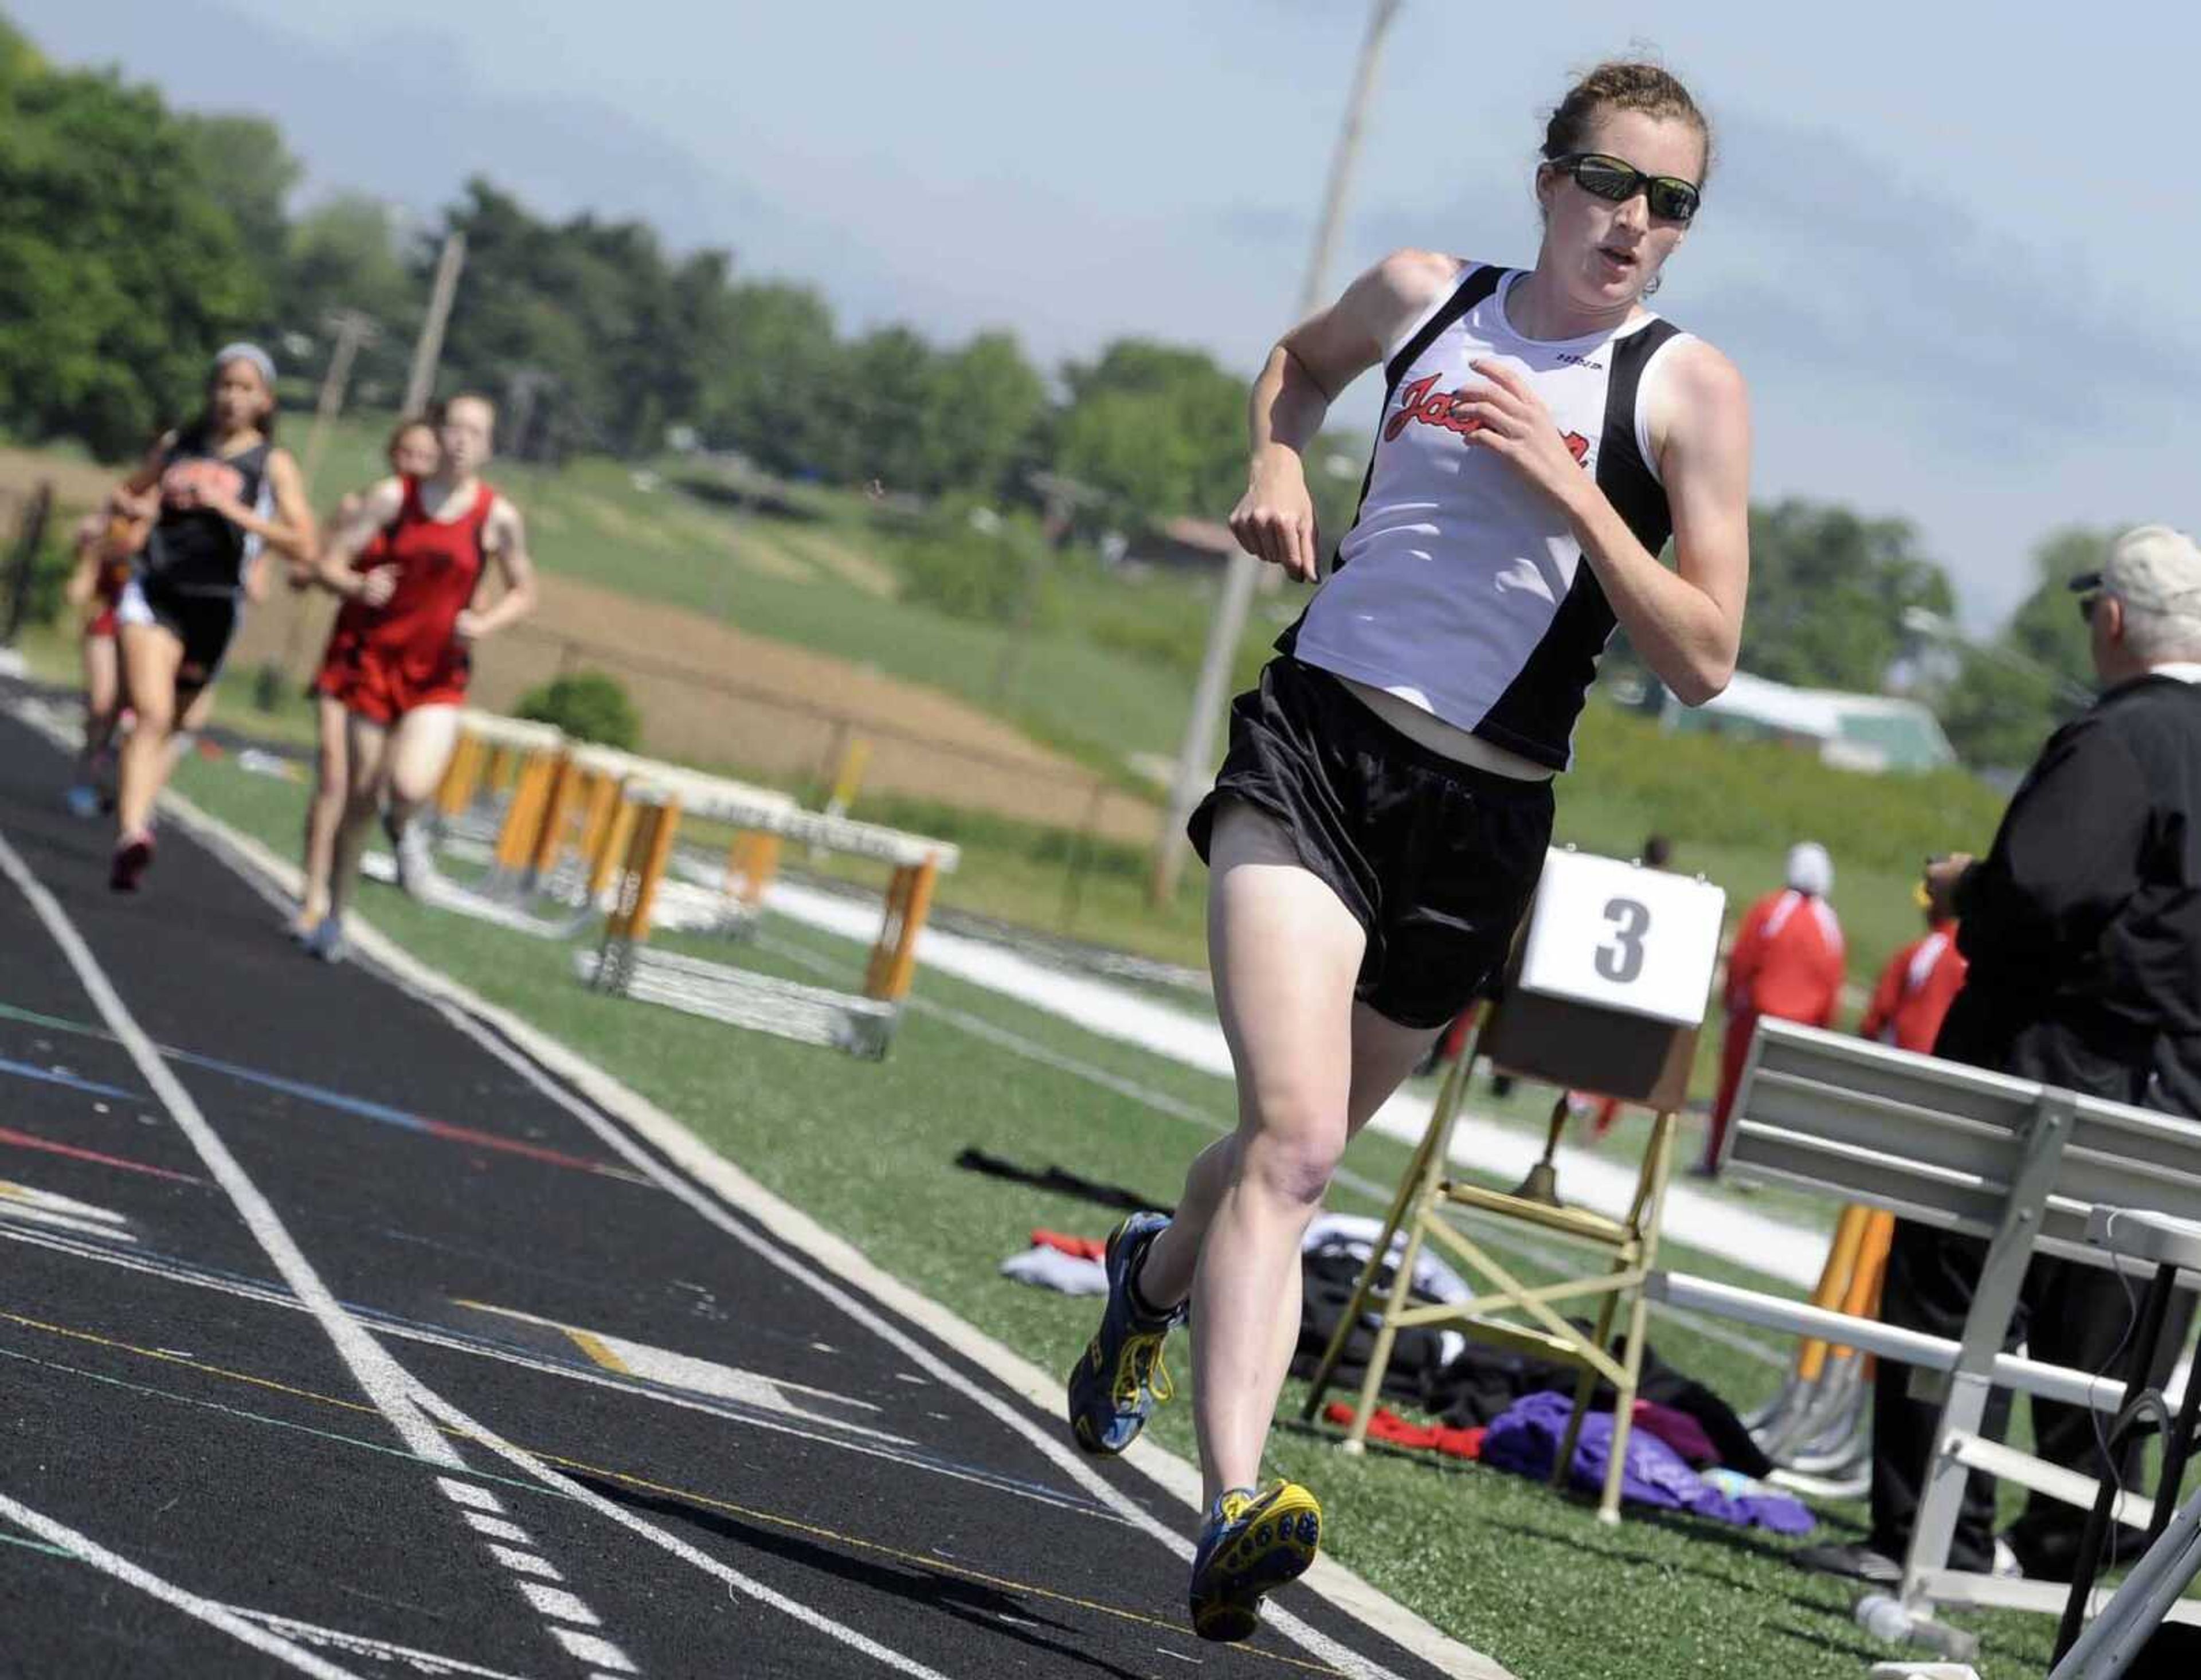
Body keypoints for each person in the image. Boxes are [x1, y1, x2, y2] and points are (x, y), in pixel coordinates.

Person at [1063, 60, 1750, 1642]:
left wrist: (1574, 489)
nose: (1632, 220)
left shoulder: (1686, 390)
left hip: (1487, 817)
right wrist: (1277, 456)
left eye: (1670, 200)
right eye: (1606, 180)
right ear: (1548, 182)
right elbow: (1295, 371)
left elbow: (1706, 654)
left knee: (1274, 1166)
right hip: (1319, 748)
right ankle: (1237, 1501)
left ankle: (1148, 1282)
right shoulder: (1432, 298)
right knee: (1295, 1144)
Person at [1803, 523, 2201, 1588]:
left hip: (2052, 1076)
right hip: (2178, 1101)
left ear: (2112, 620)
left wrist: (1966, 888)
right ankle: (2081, 1539)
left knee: (1948, 1290)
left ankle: (1933, 1536)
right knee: (2114, 1322)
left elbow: (2044, 890)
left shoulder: (2121, 739)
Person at [306, 394, 536, 961]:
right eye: (452, 427)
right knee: (360, 795)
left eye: (473, 432)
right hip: (378, 665)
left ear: (487, 446)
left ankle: (406, 832)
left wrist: (484, 623)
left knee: (407, 786)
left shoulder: (496, 515)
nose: (459, 439)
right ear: (437, 434)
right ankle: (335, 915)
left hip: (438, 673)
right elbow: (327, 563)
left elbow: (526, 591)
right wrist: (358, 586)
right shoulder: (395, 498)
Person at [107, 344, 317, 891]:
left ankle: (137, 807)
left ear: (265, 400)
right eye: (225, 385)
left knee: (178, 725)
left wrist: (233, 512)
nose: (232, 397)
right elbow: (128, 490)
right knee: (151, 714)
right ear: (212, 389)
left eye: (246, 389)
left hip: (217, 602)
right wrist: (133, 512)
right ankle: (132, 831)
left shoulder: (271, 463)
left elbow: (302, 540)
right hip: (155, 588)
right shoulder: (182, 446)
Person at [291, 415, 442, 938]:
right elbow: (308, 570)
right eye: (407, 454)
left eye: (426, 458)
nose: (414, 467)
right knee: (334, 776)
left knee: (370, 787)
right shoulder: (365, 507)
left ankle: (354, 873)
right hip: (350, 658)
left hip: (405, 670)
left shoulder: (437, 527)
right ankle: (311, 893)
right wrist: (356, 584)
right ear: (391, 454)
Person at [1697, 840, 1844, 1174]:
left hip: (1756, 1018)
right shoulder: (1829, 926)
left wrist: (1731, 1000)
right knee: (1777, 1101)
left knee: (1732, 1090)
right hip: (1801, 1028)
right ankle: (1758, 1169)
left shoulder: (1771, 909)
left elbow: (1742, 960)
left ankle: (1716, 1159)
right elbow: (1832, 985)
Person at [59, 502, 148, 817]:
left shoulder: (174, 523)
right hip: (108, 617)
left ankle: (122, 783)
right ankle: (86, 776)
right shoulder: (117, 517)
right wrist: (90, 547)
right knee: (101, 704)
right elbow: (82, 580)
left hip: (151, 625)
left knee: (139, 712)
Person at [1858, 866, 1967, 1054]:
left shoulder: (1917, 953)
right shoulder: (1979, 960)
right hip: (1957, 1070)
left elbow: (1878, 1016)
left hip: (1907, 1060)